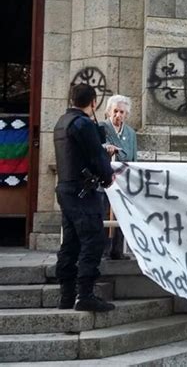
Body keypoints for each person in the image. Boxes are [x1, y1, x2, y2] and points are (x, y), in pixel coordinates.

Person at [54, 83, 115, 312]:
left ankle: (66, 295)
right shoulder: (83, 124)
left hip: (66, 189)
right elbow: (96, 157)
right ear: (93, 101)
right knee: (92, 240)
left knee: (70, 243)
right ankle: (85, 294)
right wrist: (107, 176)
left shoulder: (62, 123)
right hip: (82, 192)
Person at [100, 94, 137, 260]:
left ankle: (117, 250)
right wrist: (106, 147)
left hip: (123, 179)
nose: (118, 115)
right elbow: (95, 147)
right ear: (109, 111)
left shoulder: (130, 133)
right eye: (115, 111)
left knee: (121, 214)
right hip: (105, 179)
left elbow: (134, 157)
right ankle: (102, 250)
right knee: (104, 213)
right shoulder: (101, 128)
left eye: (122, 112)